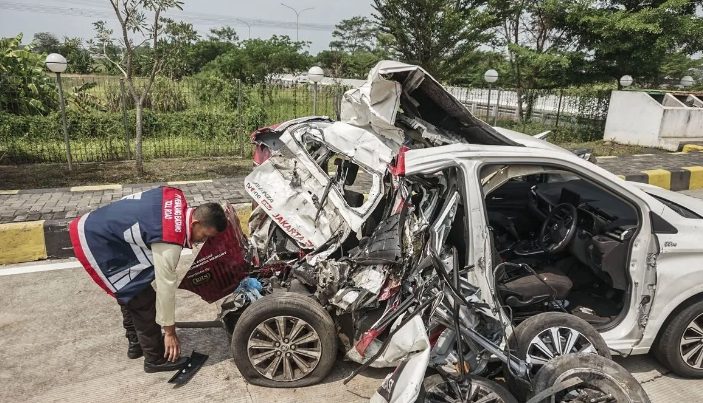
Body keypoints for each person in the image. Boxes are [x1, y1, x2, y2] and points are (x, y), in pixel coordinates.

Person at [68, 186, 227, 373]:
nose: (201, 241)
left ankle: (136, 344)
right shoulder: (170, 241)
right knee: (143, 299)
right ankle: (155, 359)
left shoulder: (175, 197)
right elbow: (165, 288)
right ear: (196, 223)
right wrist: (169, 332)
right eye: (204, 236)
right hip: (99, 240)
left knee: (129, 289)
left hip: (101, 227)